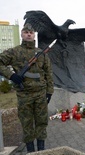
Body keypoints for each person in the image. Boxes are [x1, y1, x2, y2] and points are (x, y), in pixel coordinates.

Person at [0, 23, 54, 152]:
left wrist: (49, 91)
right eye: (26, 32)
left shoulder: (41, 53)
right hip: (24, 95)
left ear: (34, 35)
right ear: (22, 34)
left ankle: (41, 150)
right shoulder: (14, 52)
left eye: (31, 32)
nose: (29, 34)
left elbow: (48, 73)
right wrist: (11, 75)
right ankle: (30, 151)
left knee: (42, 122)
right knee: (27, 123)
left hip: (40, 93)